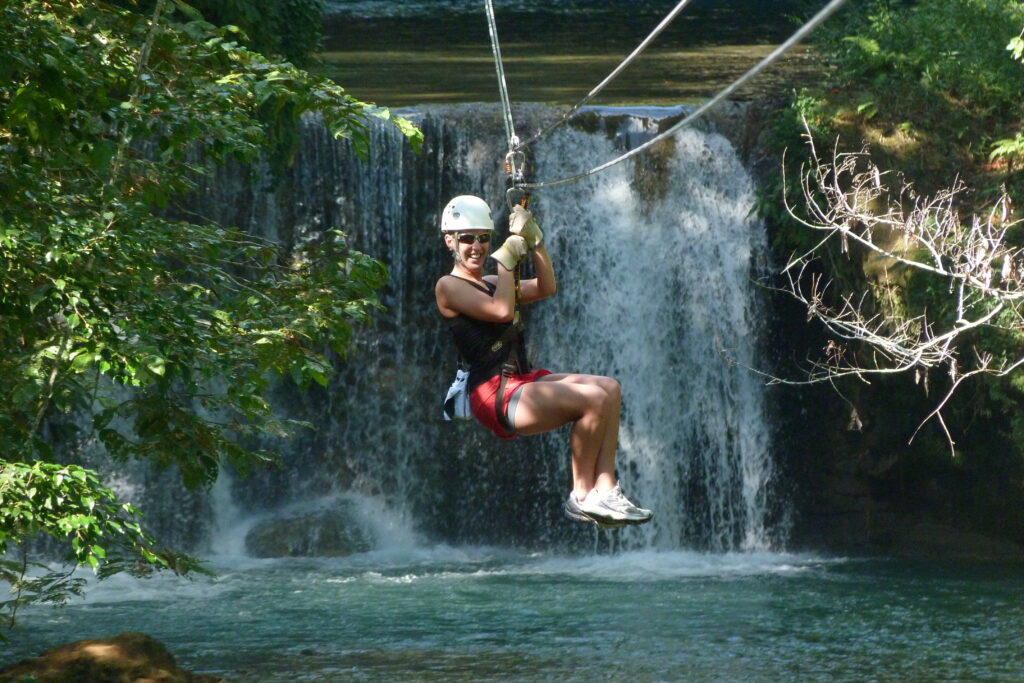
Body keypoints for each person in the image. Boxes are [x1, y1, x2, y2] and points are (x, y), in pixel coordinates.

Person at [434, 195, 653, 528]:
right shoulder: (448, 286)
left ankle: (606, 488)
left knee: (609, 388)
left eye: (483, 238)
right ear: (450, 240)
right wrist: (507, 259)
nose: (476, 246)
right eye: (467, 238)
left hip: (518, 380)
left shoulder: (491, 282)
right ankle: (581, 496)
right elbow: (502, 311)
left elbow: (546, 286)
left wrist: (535, 242)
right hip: (493, 393)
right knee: (592, 400)